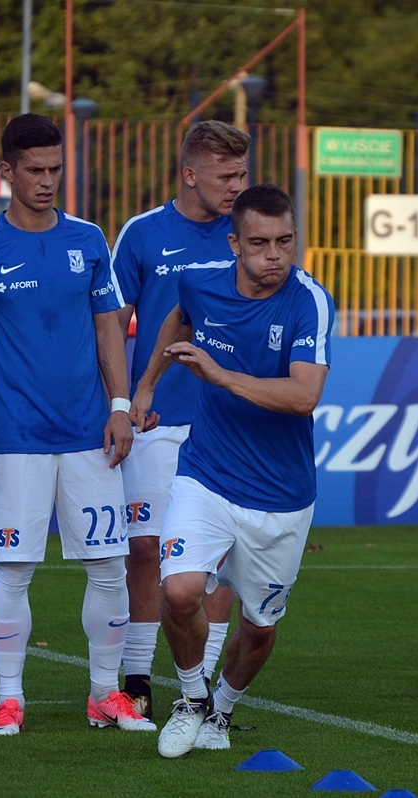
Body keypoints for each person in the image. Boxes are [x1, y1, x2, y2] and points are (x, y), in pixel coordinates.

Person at [0, 113, 153, 736]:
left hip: (91, 436)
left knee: (108, 567)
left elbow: (109, 328)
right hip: (16, 441)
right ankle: (9, 698)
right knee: (14, 571)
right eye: (34, 169)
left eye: (56, 169)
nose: (47, 180)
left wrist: (120, 406)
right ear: (5, 170)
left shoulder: (88, 240)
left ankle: (105, 695)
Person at [130, 184, 334, 758]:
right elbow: (178, 318)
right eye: (260, 243)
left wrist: (219, 376)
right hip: (207, 474)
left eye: (285, 241)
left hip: (281, 494)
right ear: (234, 244)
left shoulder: (309, 301)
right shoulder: (200, 281)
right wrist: (146, 385)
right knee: (179, 591)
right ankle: (192, 697)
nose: (274, 255)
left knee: (260, 628)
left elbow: (304, 396)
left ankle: (222, 707)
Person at [111, 120, 249, 720]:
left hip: (226, 423)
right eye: (226, 176)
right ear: (190, 174)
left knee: (214, 561)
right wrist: (119, 403)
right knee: (145, 548)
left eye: (242, 174)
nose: (237, 186)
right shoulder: (142, 233)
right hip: (155, 420)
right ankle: (137, 677)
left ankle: (206, 686)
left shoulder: (248, 234)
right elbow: (110, 325)